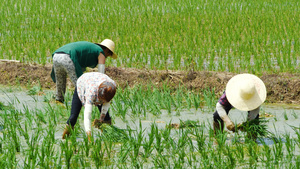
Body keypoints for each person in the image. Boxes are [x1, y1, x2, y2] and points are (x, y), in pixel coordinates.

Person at [50, 39, 117, 103]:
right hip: (68, 57)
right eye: (108, 55)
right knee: (80, 84)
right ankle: (83, 103)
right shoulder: (101, 52)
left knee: (60, 82)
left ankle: (59, 101)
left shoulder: (92, 49)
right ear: (107, 50)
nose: (106, 57)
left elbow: (80, 66)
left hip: (56, 56)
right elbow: (101, 74)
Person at [62, 72, 117, 141]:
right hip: (83, 84)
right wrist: (89, 136)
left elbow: (107, 103)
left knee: (106, 119)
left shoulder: (111, 88)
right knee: (73, 117)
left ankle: (109, 139)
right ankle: (64, 140)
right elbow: (87, 117)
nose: (103, 103)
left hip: (98, 84)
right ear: (99, 96)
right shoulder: (91, 92)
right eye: (102, 101)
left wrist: (101, 119)